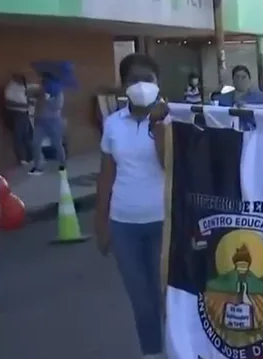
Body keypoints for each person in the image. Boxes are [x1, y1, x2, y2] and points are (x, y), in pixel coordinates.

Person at [95, 53, 169, 358]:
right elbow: (106, 176)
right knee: (141, 300)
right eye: (133, 80)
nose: (140, 85)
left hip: (162, 221)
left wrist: (159, 125)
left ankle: (175, 350)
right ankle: (152, 352)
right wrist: (101, 224)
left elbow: (170, 166)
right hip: (124, 223)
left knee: (165, 296)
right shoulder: (113, 123)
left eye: (147, 79)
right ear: (123, 85)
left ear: (158, 82)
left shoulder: (173, 119)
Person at [28, 73, 66, 176]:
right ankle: (38, 166)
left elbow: (58, 106)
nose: (44, 82)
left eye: (46, 81)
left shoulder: (58, 92)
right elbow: (29, 93)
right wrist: (36, 92)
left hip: (54, 121)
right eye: (43, 81)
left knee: (57, 144)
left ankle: (62, 164)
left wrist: (49, 99)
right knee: (36, 143)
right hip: (40, 121)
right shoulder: (40, 90)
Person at [4, 73, 33, 166]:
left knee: (27, 136)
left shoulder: (22, 87)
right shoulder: (11, 89)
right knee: (19, 137)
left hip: (25, 113)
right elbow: (9, 103)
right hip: (17, 114)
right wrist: (24, 105)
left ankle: (30, 157)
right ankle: (22, 158)